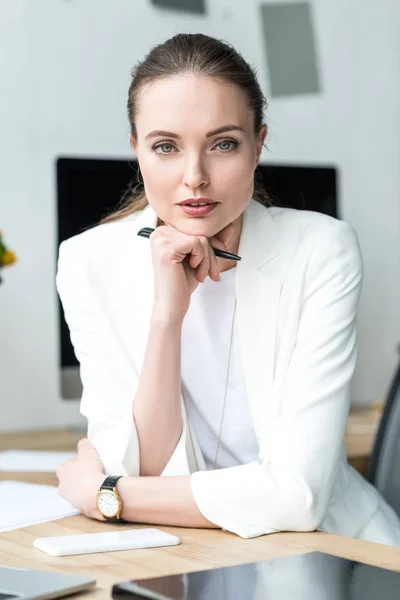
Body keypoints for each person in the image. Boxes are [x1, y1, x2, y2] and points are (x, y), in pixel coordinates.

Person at [55, 33, 400, 545]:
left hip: (333, 549)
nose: (194, 177)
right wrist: (166, 317)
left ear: (258, 145)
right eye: (166, 147)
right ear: (136, 149)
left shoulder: (320, 249)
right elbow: (146, 466)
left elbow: (298, 497)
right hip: (190, 552)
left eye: (223, 144)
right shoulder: (88, 261)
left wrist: (106, 494)